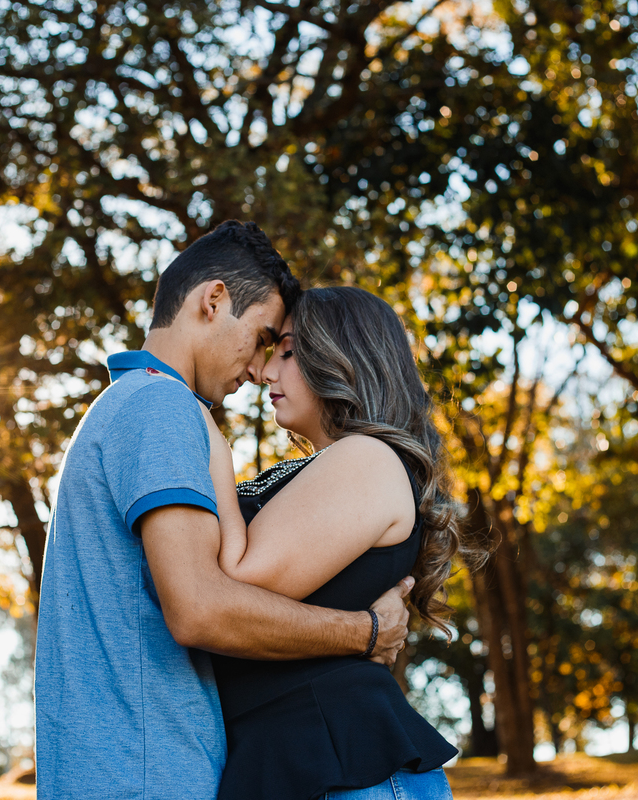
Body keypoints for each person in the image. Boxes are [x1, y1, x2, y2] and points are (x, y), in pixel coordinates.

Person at [34, 222, 414, 800]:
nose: (260, 369)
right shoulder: (162, 407)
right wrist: (363, 632)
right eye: (264, 338)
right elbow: (201, 608)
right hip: (144, 774)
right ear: (214, 301)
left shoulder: (128, 407)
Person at [203, 286, 466, 800]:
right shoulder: (320, 468)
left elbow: (235, 580)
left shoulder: (366, 457)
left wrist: (211, 446)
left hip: (343, 765)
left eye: (288, 351)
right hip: (289, 762)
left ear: (342, 356)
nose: (266, 373)